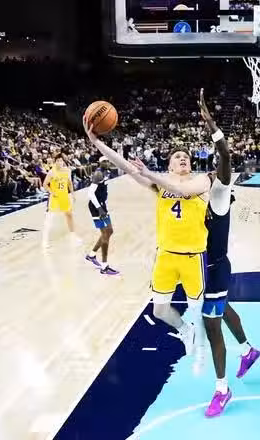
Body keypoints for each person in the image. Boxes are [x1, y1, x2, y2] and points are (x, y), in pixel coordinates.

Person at [83, 94, 212, 361]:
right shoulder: (159, 184)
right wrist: (96, 142)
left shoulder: (201, 181)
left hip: (193, 256)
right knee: (159, 310)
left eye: (186, 157)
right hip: (165, 255)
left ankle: (201, 350)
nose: (182, 159)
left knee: (197, 309)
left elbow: (181, 190)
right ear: (169, 164)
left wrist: (149, 174)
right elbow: (125, 167)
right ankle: (185, 330)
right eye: (177, 157)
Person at [192, 91, 260, 417]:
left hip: (216, 269)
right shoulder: (198, 201)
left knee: (211, 325)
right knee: (223, 309)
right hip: (204, 268)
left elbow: (225, 156)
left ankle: (222, 389)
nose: (208, 175)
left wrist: (211, 124)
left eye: (212, 174)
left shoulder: (219, 197)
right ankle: (247, 350)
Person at [85, 157, 118, 275]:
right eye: (104, 161)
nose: (107, 163)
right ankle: (104, 267)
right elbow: (90, 193)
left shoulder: (106, 171)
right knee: (105, 233)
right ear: (100, 163)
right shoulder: (98, 174)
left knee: (109, 231)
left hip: (102, 205)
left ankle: (91, 255)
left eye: (108, 161)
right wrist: (99, 209)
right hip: (96, 207)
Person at [41, 154, 81, 249]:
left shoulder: (67, 171)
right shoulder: (51, 172)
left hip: (64, 196)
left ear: (63, 161)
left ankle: (73, 236)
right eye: (58, 161)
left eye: (61, 160)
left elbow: (70, 183)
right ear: (55, 162)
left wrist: (73, 194)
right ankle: (45, 241)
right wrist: (52, 192)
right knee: (50, 219)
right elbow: (45, 184)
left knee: (69, 215)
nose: (60, 162)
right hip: (55, 198)